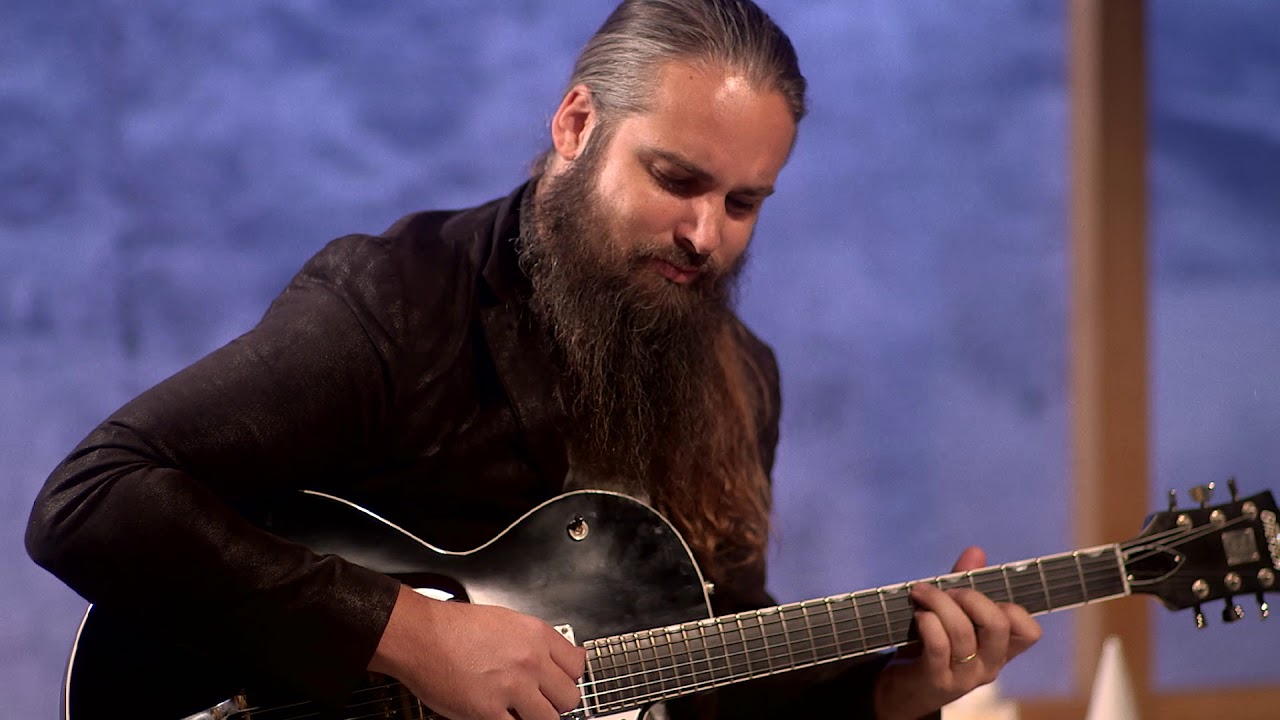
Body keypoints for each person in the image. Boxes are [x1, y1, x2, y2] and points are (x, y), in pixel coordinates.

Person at [26, 1, 1041, 718]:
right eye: (675, 179)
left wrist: (894, 693)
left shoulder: (739, 377)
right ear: (576, 125)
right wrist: (408, 635)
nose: (705, 234)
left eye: (742, 204)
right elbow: (89, 499)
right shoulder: (396, 302)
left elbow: (701, 682)